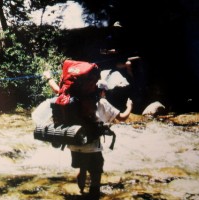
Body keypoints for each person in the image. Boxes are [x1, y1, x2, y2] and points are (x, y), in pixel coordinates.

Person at [43, 69, 133, 200]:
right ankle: (93, 196)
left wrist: (48, 77)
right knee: (96, 174)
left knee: (82, 168)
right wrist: (129, 106)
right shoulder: (101, 102)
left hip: (74, 142)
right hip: (91, 147)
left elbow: (57, 89)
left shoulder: (72, 98)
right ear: (102, 91)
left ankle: (81, 192)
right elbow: (123, 117)